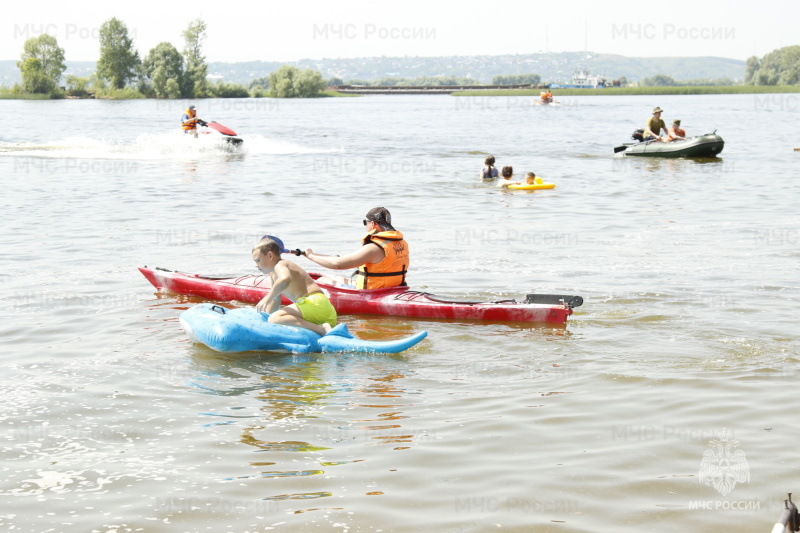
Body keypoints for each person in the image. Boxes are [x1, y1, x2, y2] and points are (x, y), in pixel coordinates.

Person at [304, 207, 409, 290]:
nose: (365, 225)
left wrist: (310, 256)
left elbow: (337, 264)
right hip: (394, 288)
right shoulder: (401, 242)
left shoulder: (373, 248)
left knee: (322, 280)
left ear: (373, 224)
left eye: (365, 222)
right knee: (337, 278)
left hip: (374, 292)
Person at [252, 237, 336, 335]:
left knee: (275, 318)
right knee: (273, 318)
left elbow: (285, 279)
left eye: (258, 260)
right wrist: (266, 321)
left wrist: (266, 298)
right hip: (322, 310)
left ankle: (320, 329)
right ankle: (319, 328)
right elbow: (275, 301)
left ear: (270, 256)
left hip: (315, 303)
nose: (256, 265)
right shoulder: (273, 274)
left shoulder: (281, 264)